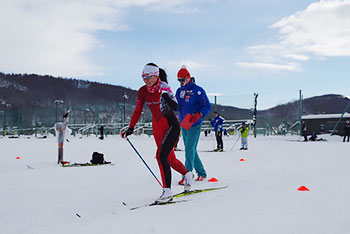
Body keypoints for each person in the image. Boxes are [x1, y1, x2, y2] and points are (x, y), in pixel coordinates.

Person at [122, 63, 192, 204]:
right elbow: (137, 110)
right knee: (169, 159)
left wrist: (166, 97)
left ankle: (167, 191)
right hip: (157, 127)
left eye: (148, 77)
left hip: (171, 125)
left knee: (161, 156)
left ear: (156, 75)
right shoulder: (142, 91)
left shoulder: (164, 88)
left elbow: (176, 107)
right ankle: (187, 174)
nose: (146, 80)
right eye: (143, 77)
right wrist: (131, 127)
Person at [175, 65, 211, 184]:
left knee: (189, 149)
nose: (181, 82)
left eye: (182, 80)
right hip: (184, 124)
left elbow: (207, 106)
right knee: (191, 150)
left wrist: (200, 114)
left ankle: (187, 175)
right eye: (179, 80)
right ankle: (201, 173)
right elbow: (177, 106)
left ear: (188, 77)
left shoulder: (198, 91)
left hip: (194, 124)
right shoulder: (179, 91)